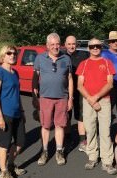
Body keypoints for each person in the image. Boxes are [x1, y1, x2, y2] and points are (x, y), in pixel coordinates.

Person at [76, 38, 117, 175]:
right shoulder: (84, 64)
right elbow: (79, 85)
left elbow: (110, 83)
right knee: (90, 130)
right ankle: (92, 157)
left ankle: (107, 161)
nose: (95, 48)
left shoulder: (107, 63)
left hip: (103, 101)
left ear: (101, 47)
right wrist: (91, 99)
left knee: (105, 132)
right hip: (88, 101)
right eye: (92, 46)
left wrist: (96, 97)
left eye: (98, 46)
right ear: (88, 48)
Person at [32, 33, 73, 166]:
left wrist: (70, 98)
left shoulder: (66, 59)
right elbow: (35, 78)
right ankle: (44, 151)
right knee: (45, 125)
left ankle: (59, 151)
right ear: (47, 46)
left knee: (60, 125)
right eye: (52, 45)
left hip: (62, 97)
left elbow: (70, 79)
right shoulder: (39, 58)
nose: (56, 47)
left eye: (57, 44)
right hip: (45, 98)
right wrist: (34, 96)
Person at [0, 45, 27, 178]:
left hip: (17, 113)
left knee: (20, 142)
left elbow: (17, 95)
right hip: (4, 114)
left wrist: (22, 111)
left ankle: (11, 164)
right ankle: (4, 172)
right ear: (3, 56)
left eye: (14, 53)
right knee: (4, 144)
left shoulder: (15, 73)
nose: (12, 55)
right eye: (9, 53)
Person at [64, 35, 89, 152]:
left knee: (80, 116)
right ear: (65, 45)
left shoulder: (84, 55)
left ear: (76, 44)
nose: (71, 46)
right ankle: (68, 138)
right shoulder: (61, 57)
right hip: (65, 91)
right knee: (67, 116)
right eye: (69, 44)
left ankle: (82, 140)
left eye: (73, 44)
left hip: (80, 90)